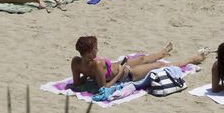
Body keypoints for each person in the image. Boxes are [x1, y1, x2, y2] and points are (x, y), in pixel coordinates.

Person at [71, 35, 207, 90]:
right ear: (89, 52)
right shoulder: (96, 65)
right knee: (159, 66)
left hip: (119, 65)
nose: (97, 50)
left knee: (142, 59)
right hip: (125, 74)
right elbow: (104, 87)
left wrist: (88, 74)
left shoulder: (76, 62)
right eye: (95, 49)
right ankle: (193, 59)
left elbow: (77, 82)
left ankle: (163, 52)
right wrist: (119, 74)